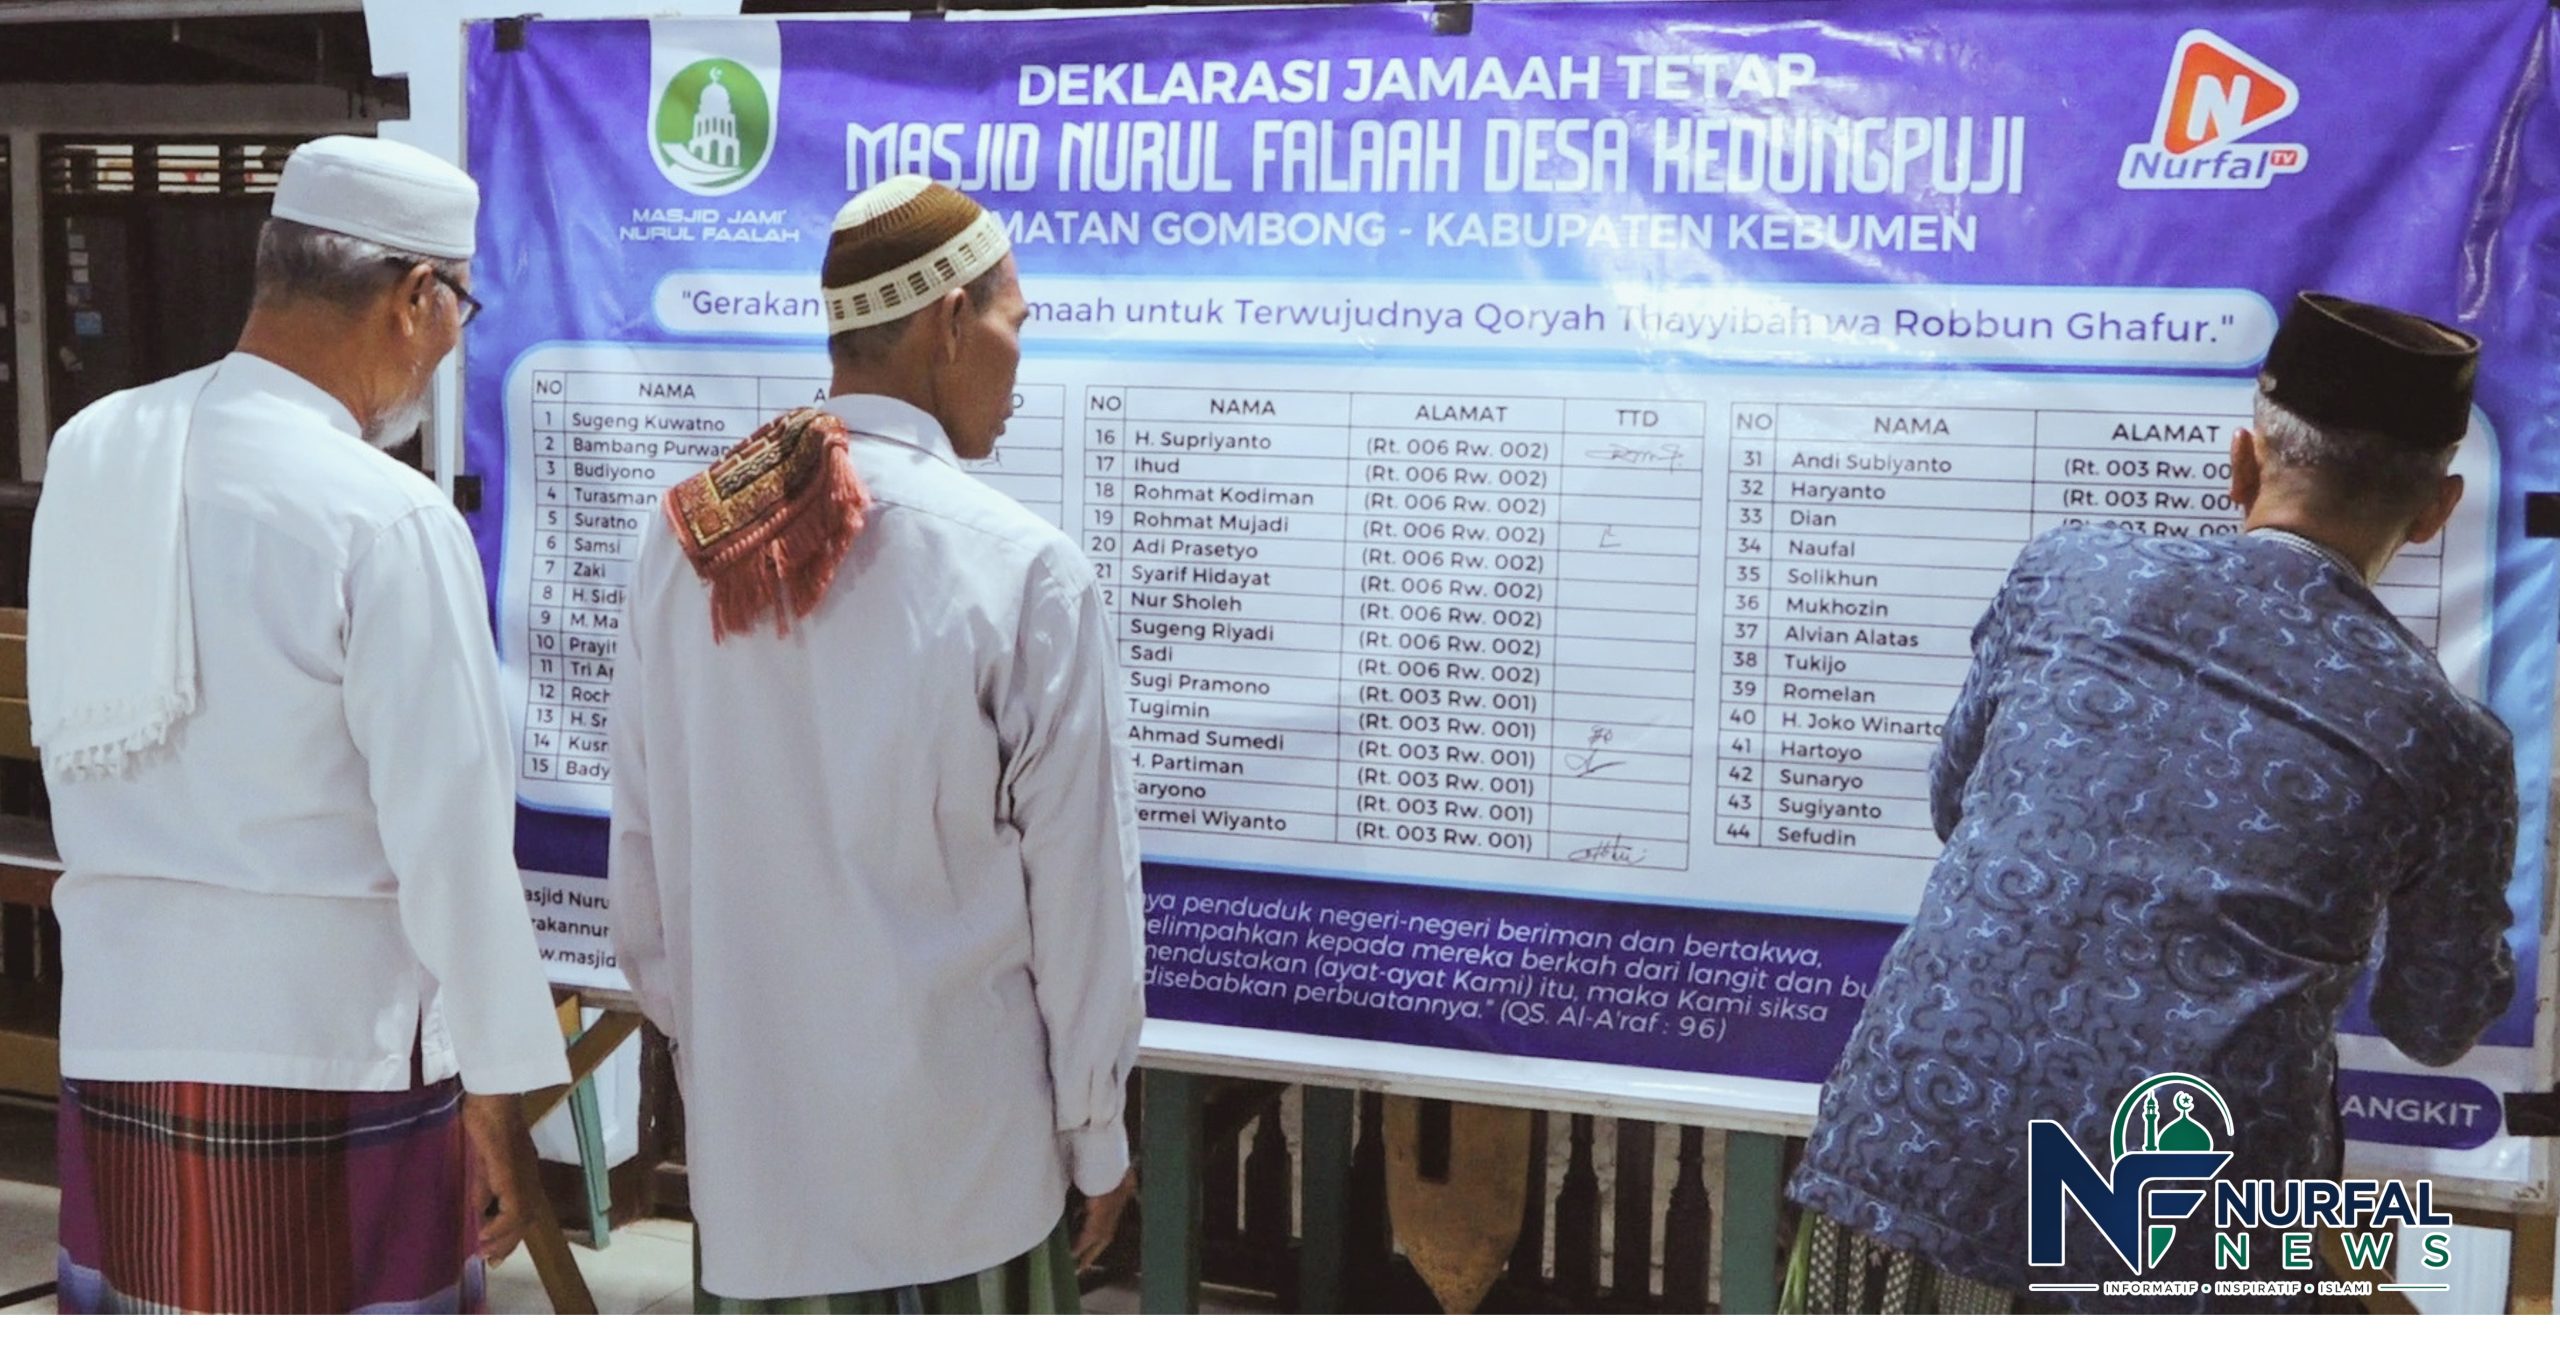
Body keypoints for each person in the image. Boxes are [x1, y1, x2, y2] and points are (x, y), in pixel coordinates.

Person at [1784, 293, 2517, 1314]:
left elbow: (1957, 801)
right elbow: (2433, 1022)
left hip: (1911, 1148)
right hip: (2175, 1214)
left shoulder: (2067, 576)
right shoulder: (2448, 740)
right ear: (2436, 510)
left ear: (2243, 464)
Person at [30, 135, 569, 1314]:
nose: (451, 343)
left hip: (121, 1018)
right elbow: (452, 836)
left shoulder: (96, 448)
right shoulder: (386, 515)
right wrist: (497, 1086)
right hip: (329, 1046)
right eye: (459, 307)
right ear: (416, 296)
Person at [607, 175, 1144, 1314]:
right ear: (949, 320)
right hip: (964, 1177)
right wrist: (1095, 1133)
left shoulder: (688, 542)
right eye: (1013, 321)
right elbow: (1081, 896)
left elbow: (644, 886)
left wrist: (735, 1057)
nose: (1020, 360)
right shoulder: (1021, 567)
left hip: (760, 1188)